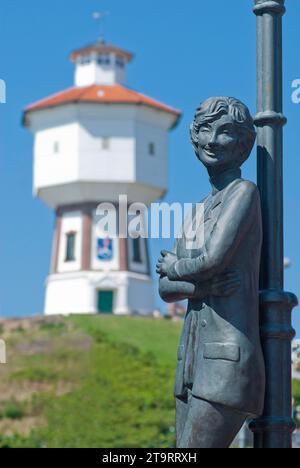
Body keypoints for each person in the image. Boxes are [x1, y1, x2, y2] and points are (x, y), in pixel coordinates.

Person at [157, 97, 265, 448]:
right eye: (205, 129)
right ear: (194, 137)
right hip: (191, 361)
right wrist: (201, 290)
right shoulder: (198, 209)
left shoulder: (243, 193)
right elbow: (164, 288)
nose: (213, 140)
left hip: (226, 362)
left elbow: (212, 259)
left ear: (243, 144)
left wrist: (177, 268)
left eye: (226, 132)